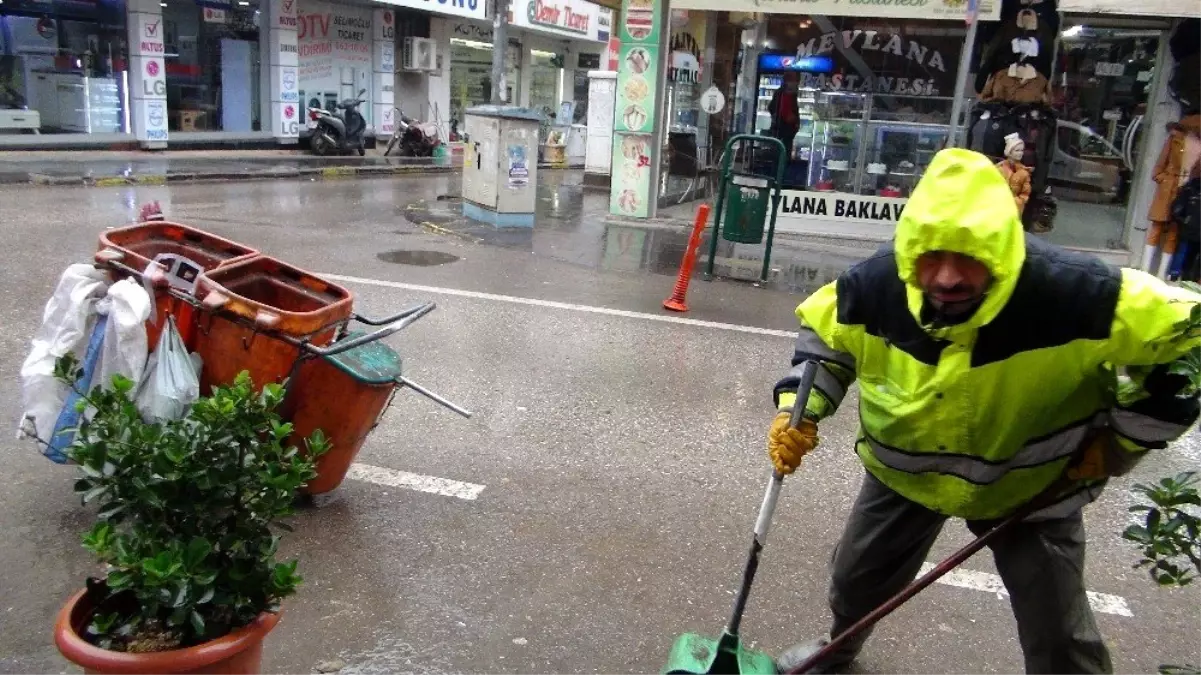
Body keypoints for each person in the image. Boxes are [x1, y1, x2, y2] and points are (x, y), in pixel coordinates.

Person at [767, 148, 1201, 675]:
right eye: (931, 255)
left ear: (1001, 248)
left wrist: (1120, 443)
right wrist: (800, 409)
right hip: (906, 478)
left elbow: (1187, 344)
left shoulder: (1078, 293)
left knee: (1059, 633)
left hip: (1033, 486)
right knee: (856, 583)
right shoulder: (876, 286)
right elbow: (825, 344)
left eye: (969, 256)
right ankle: (839, 652)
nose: (947, 277)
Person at [767, 73, 801, 163]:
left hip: (783, 131)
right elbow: (775, 108)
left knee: (780, 156)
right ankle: (779, 174)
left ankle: (778, 173)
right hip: (783, 131)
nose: (797, 83)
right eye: (795, 80)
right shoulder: (785, 93)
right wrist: (792, 120)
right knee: (782, 156)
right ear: (788, 81)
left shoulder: (788, 93)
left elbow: (771, 107)